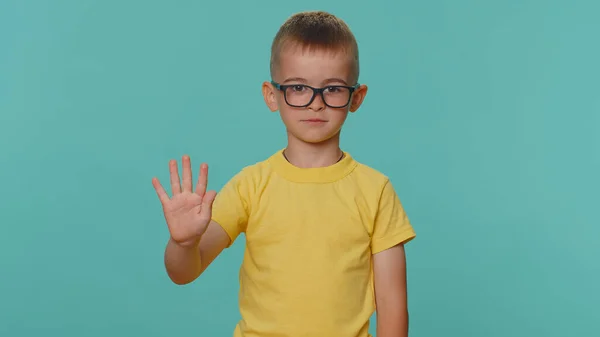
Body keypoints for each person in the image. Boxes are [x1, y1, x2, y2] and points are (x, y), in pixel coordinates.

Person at [152, 10, 416, 337]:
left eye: (332, 89)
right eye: (298, 88)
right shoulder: (250, 186)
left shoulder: (376, 191)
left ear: (356, 97)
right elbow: (183, 273)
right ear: (272, 95)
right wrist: (183, 243)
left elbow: (392, 305)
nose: (315, 104)